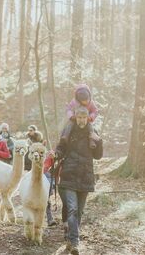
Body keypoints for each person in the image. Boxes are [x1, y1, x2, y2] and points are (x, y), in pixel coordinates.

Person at [55, 106, 103, 255]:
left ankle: (70, 239)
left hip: (85, 176)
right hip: (68, 175)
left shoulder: (93, 133)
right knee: (73, 209)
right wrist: (56, 154)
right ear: (75, 117)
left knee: (79, 212)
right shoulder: (68, 131)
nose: (81, 120)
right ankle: (75, 242)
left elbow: (98, 156)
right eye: (79, 117)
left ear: (88, 117)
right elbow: (61, 149)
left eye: (84, 117)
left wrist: (99, 142)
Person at [62, 84, 99, 149]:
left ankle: (92, 141)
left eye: (87, 100)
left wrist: (91, 117)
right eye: (84, 101)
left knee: (90, 128)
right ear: (79, 100)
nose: (86, 102)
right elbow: (69, 109)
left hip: (86, 120)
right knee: (69, 125)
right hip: (75, 118)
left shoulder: (91, 102)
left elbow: (95, 111)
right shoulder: (74, 102)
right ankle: (65, 136)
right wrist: (71, 116)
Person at [43, 150, 58, 227]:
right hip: (50, 178)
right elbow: (45, 167)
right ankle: (49, 219)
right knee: (46, 198)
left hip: (65, 179)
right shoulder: (53, 154)